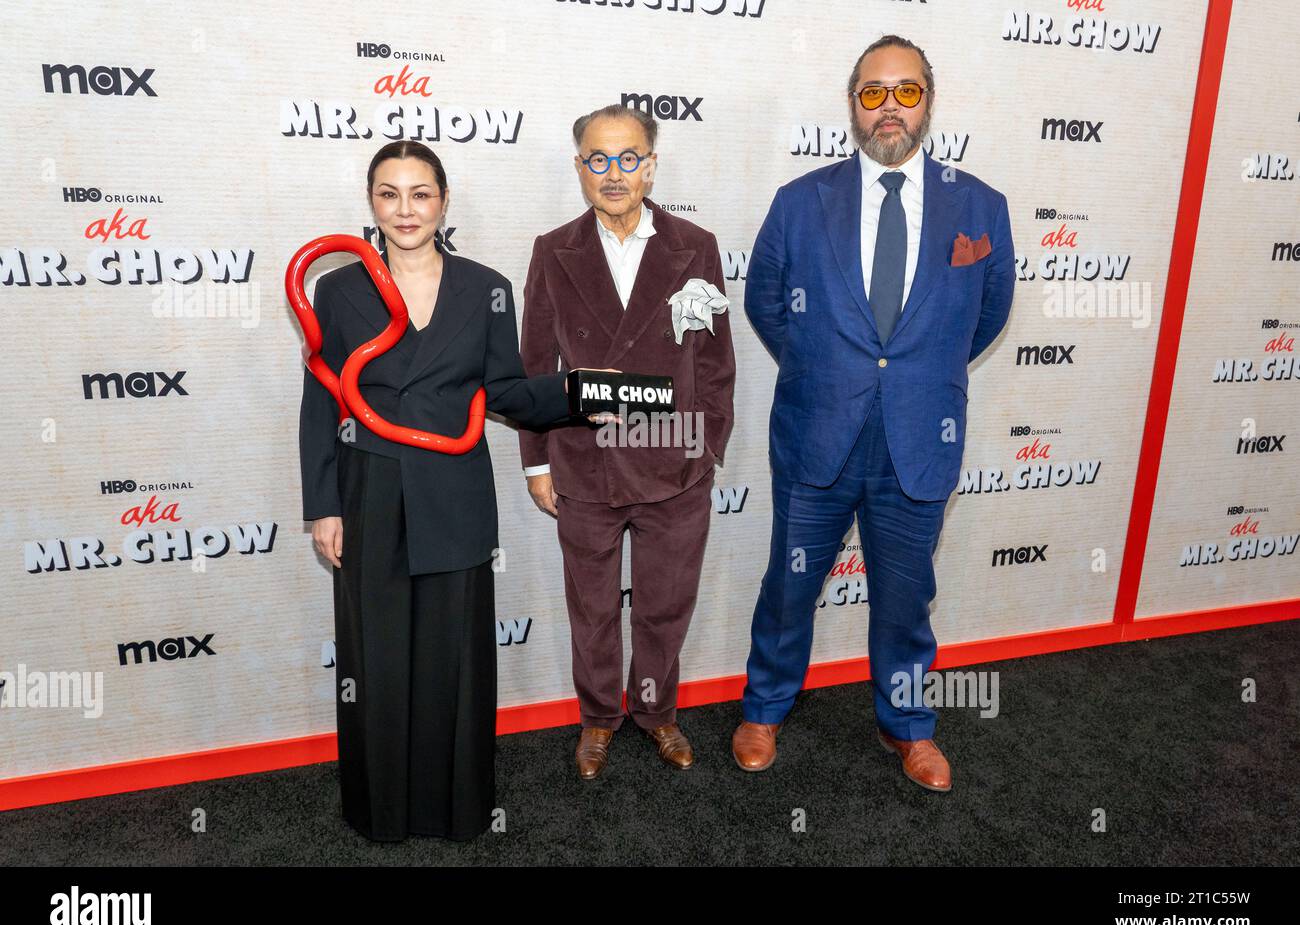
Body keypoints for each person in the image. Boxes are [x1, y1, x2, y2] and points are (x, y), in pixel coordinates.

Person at [732, 36, 1015, 791]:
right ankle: (764, 708)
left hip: (919, 438)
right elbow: (765, 300)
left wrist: (914, 375)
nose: (889, 104)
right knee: (789, 585)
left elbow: (984, 318)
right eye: (872, 91)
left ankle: (909, 725)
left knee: (905, 595)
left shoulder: (980, 206)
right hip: (816, 432)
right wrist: (828, 367)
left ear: (929, 98)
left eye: (907, 90)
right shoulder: (800, 201)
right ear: (853, 104)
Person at [298, 139, 578, 841]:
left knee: (453, 656)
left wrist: (579, 398)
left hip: (452, 488)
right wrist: (323, 503)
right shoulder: (337, 288)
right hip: (368, 488)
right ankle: (380, 811)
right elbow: (319, 401)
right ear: (371, 204)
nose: (405, 209)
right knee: (377, 658)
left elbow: (509, 391)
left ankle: (457, 809)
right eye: (389, 194)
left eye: (420, 194)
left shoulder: (486, 287)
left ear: (443, 202)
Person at [518, 105, 736, 780]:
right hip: (584, 467)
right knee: (592, 608)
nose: (615, 174)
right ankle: (598, 719)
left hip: (675, 463)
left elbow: (714, 360)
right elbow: (534, 368)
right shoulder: (552, 249)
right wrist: (535, 461)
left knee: (667, 602)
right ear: (580, 167)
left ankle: (655, 711)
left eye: (629, 157)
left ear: (652, 163)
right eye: (599, 159)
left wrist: (706, 450)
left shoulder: (695, 244)